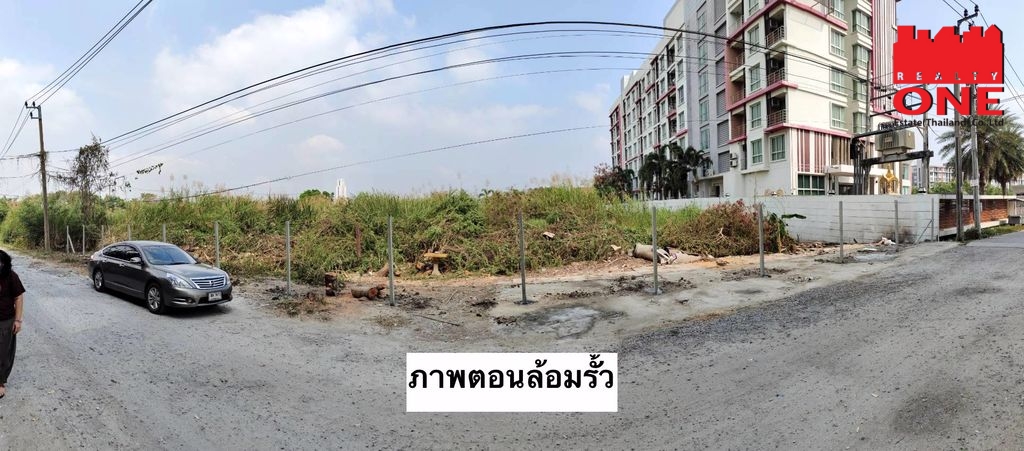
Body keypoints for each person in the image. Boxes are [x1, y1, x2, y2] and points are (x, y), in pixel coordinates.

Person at [0, 250, 25, 399]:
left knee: (3, 353)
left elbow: (18, 298)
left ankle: (0, 382)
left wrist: (17, 320)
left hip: (5, 321)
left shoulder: (11, 276)